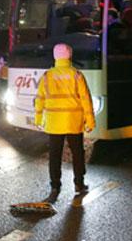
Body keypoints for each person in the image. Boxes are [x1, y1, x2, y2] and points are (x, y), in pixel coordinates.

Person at [34, 43, 95, 203]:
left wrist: (38, 119)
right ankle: (79, 185)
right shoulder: (76, 75)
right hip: (73, 122)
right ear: (70, 56)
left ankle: (55, 187)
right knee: (77, 153)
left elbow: (40, 99)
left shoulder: (47, 76)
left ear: (55, 57)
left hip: (54, 123)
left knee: (55, 155)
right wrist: (90, 120)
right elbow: (86, 99)